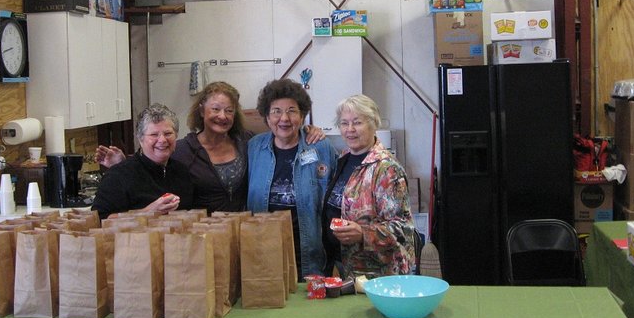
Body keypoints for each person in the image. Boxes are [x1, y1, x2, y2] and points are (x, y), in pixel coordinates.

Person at [95, 82, 326, 213]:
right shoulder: (184, 150)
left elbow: (282, 137)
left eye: (228, 110)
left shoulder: (249, 144)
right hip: (202, 238)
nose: (222, 116)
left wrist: (307, 131)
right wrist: (122, 166)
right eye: (215, 109)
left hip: (247, 232)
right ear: (202, 110)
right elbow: (149, 169)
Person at [247, 78, 337, 280]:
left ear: (303, 116)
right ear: (267, 117)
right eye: (276, 111)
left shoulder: (321, 147)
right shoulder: (254, 148)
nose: (284, 118)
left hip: (309, 249)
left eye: (292, 111)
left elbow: (338, 197)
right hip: (264, 248)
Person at [326, 94, 415, 277]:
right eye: (344, 123)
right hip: (347, 269)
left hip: (379, 274)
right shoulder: (343, 159)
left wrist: (363, 233)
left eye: (357, 122)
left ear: (374, 124)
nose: (350, 129)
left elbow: (403, 229)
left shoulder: (387, 169)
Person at [91, 104, 192, 219]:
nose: (162, 140)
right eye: (154, 135)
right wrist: (148, 212)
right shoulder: (118, 175)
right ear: (140, 139)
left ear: (176, 136)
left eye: (168, 134)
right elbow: (100, 220)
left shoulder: (182, 172)